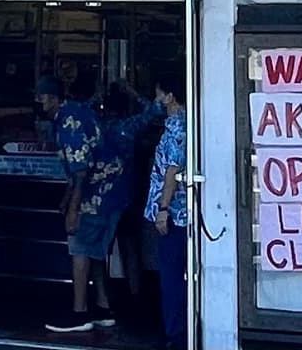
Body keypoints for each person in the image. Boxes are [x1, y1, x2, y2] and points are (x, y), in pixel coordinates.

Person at [38, 74, 161, 334]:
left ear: (52, 97)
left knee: (80, 248)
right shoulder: (80, 113)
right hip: (116, 192)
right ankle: (103, 308)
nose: (39, 102)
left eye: (42, 96)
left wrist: (73, 208)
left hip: (98, 195)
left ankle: (79, 312)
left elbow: (81, 169)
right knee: (95, 251)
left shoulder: (69, 121)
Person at [143, 66, 190, 350]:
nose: (156, 100)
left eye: (159, 94)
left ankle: (176, 335)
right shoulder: (186, 122)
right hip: (179, 213)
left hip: (174, 215)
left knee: (171, 277)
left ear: (170, 96)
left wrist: (163, 208)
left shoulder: (176, 126)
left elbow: (172, 169)